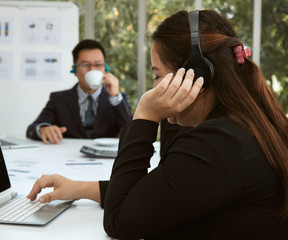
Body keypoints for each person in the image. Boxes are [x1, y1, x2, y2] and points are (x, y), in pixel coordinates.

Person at [27, 10, 288, 239]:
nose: (154, 86)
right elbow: (164, 187)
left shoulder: (220, 143)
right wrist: (80, 188)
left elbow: (119, 221)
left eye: (157, 75)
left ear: (196, 74)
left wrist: (146, 116)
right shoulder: (238, 126)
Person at [26, 39, 133, 144]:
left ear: (105, 69)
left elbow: (132, 133)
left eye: (98, 65)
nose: (92, 70)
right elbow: (31, 130)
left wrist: (115, 97)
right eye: (85, 65)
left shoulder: (117, 99)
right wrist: (43, 129)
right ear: (74, 70)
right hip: (67, 158)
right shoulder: (58, 99)